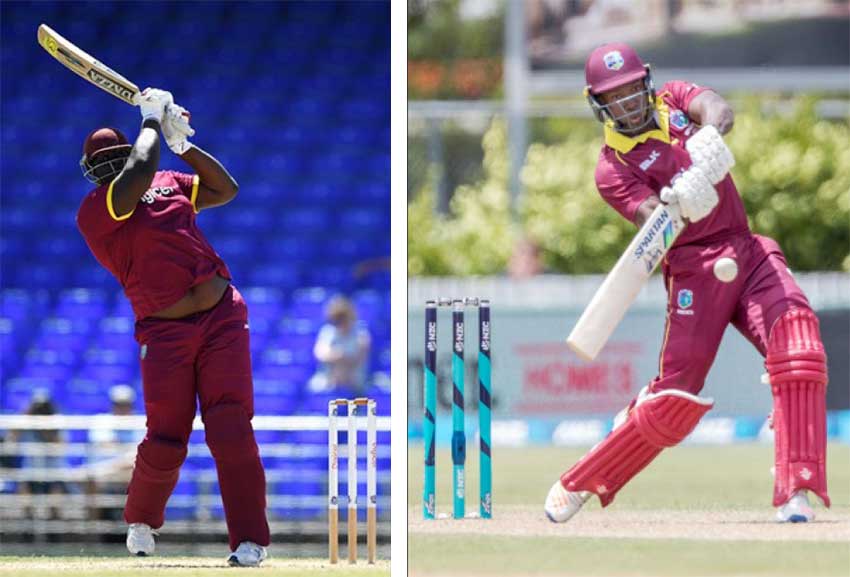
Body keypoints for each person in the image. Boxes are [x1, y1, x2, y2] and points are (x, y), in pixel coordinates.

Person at [544, 43, 829, 525]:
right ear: (599, 104)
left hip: (746, 248)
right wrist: (679, 202)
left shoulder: (674, 100)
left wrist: (711, 137)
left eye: (634, 88)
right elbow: (651, 221)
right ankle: (582, 480)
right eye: (617, 96)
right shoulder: (611, 169)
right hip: (694, 269)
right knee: (673, 400)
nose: (630, 102)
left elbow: (718, 107)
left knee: (799, 348)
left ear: (647, 82)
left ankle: (793, 491)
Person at [76, 88, 269, 566]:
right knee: (167, 434)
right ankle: (141, 519)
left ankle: (250, 541)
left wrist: (183, 145)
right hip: (164, 333)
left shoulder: (167, 178)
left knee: (230, 428)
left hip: (223, 314)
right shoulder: (97, 210)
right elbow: (138, 172)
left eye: (110, 159)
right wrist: (149, 121)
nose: (106, 169)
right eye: (100, 164)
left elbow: (226, 190)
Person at [85, 384, 144, 523]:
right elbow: (104, 447)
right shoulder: (102, 421)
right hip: (106, 472)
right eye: (118, 404)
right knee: (91, 477)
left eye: (125, 404)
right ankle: (93, 528)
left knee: (137, 471)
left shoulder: (141, 423)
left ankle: (138, 524)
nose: (122, 408)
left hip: (128, 472)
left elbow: (139, 454)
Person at [309, 296, 371, 395]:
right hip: (328, 377)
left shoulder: (361, 333)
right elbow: (320, 355)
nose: (340, 324)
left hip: (354, 381)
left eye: (343, 319)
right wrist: (339, 356)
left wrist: (340, 358)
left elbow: (359, 358)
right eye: (337, 320)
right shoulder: (328, 331)